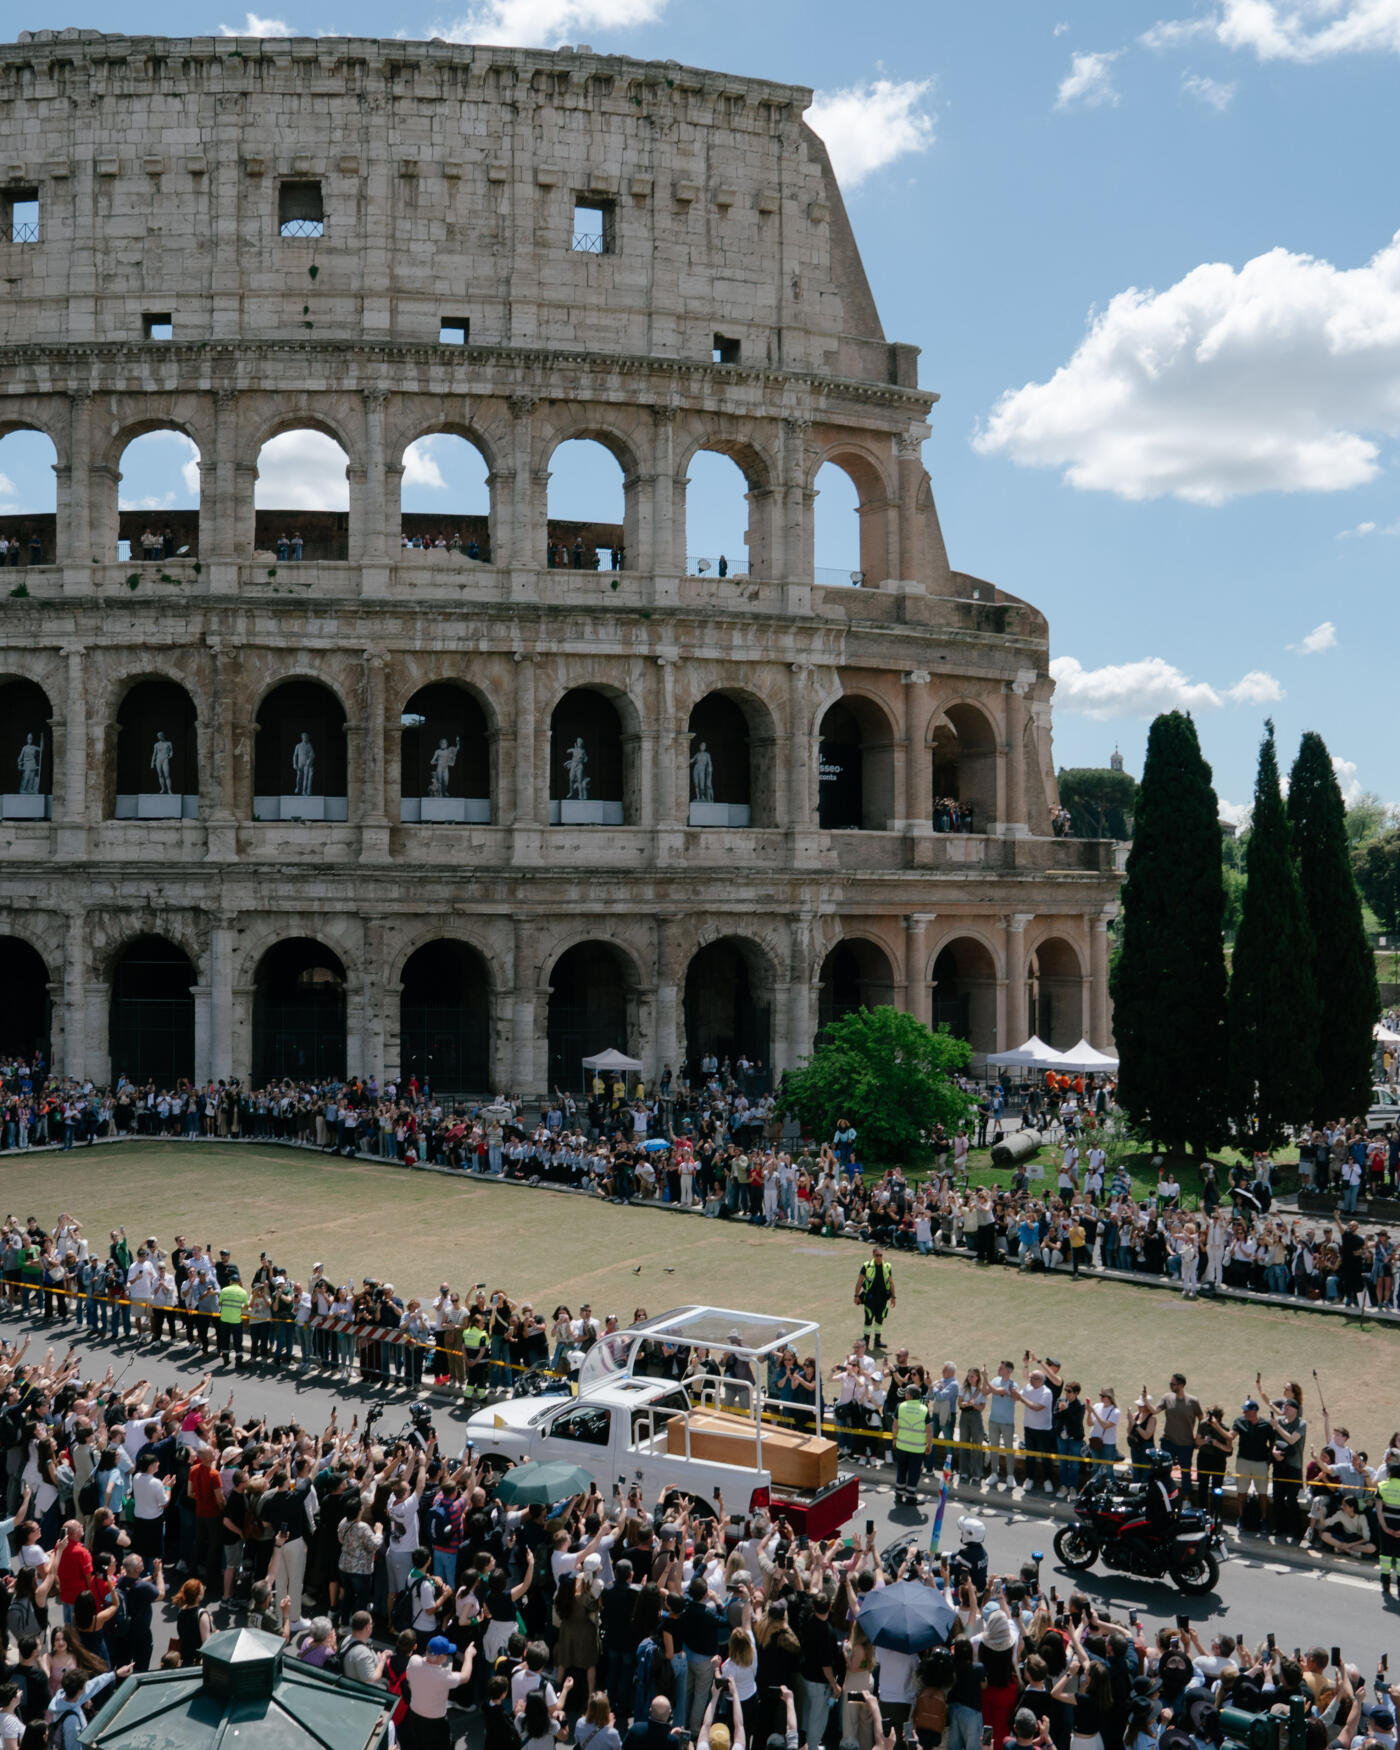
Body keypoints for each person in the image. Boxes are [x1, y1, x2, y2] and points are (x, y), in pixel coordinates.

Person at [404, 1635, 474, 1749]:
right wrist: (468, 1655)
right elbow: (465, 1677)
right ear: (440, 1656)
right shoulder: (444, 1677)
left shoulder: (413, 1661)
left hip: (414, 1715)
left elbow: (410, 1684)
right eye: (447, 1654)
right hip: (435, 1722)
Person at [893, 1384, 932, 1506]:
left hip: (902, 1445)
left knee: (901, 1470)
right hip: (917, 1448)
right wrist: (929, 1444)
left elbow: (895, 1425)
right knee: (914, 1472)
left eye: (906, 1393)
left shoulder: (900, 1406)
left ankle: (899, 1495)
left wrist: (894, 1439)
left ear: (909, 1395)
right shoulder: (924, 1409)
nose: (905, 1395)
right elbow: (929, 1430)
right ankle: (910, 1497)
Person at [853, 1248, 894, 1350]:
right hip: (870, 1298)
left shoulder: (887, 1267)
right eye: (877, 1255)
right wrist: (856, 1295)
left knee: (879, 1320)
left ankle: (877, 1341)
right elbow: (859, 1281)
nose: (879, 1257)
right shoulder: (867, 1266)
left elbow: (891, 1282)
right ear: (873, 1255)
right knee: (868, 1319)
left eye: (881, 1255)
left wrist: (893, 1297)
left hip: (883, 1298)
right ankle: (866, 1341)